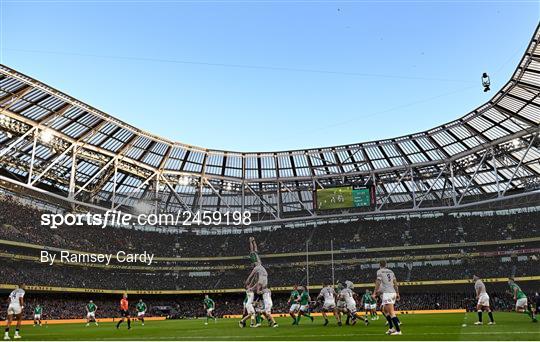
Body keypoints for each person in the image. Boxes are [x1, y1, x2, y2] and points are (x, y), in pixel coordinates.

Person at [373, 261, 401, 335]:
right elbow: (395, 283)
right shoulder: (391, 271)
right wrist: (397, 293)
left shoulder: (379, 271)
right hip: (392, 292)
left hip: (388, 293)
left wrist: (374, 292)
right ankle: (391, 328)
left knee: (391, 312)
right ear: (386, 265)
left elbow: (378, 282)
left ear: (379, 265)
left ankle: (398, 331)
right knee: (384, 310)